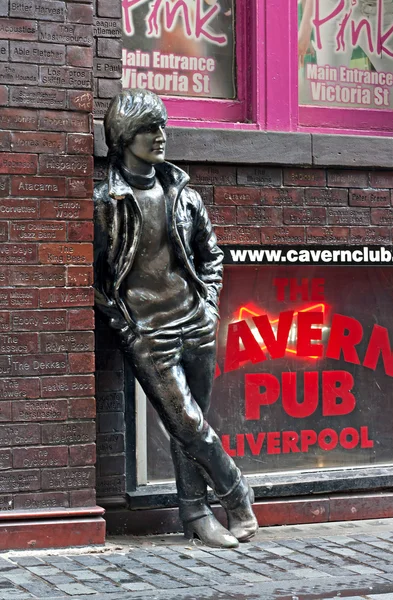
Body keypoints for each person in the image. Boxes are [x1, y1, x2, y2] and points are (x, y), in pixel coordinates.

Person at [93, 88, 258, 548]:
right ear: (125, 136)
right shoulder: (107, 202)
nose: (161, 135)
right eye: (149, 128)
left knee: (194, 423)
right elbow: (95, 280)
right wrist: (128, 328)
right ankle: (238, 494)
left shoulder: (182, 195)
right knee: (188, 424)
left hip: (195, 321)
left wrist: (208, 305)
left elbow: (212, 257)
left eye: (162, 125)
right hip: (149, 331)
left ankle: (196, 516)